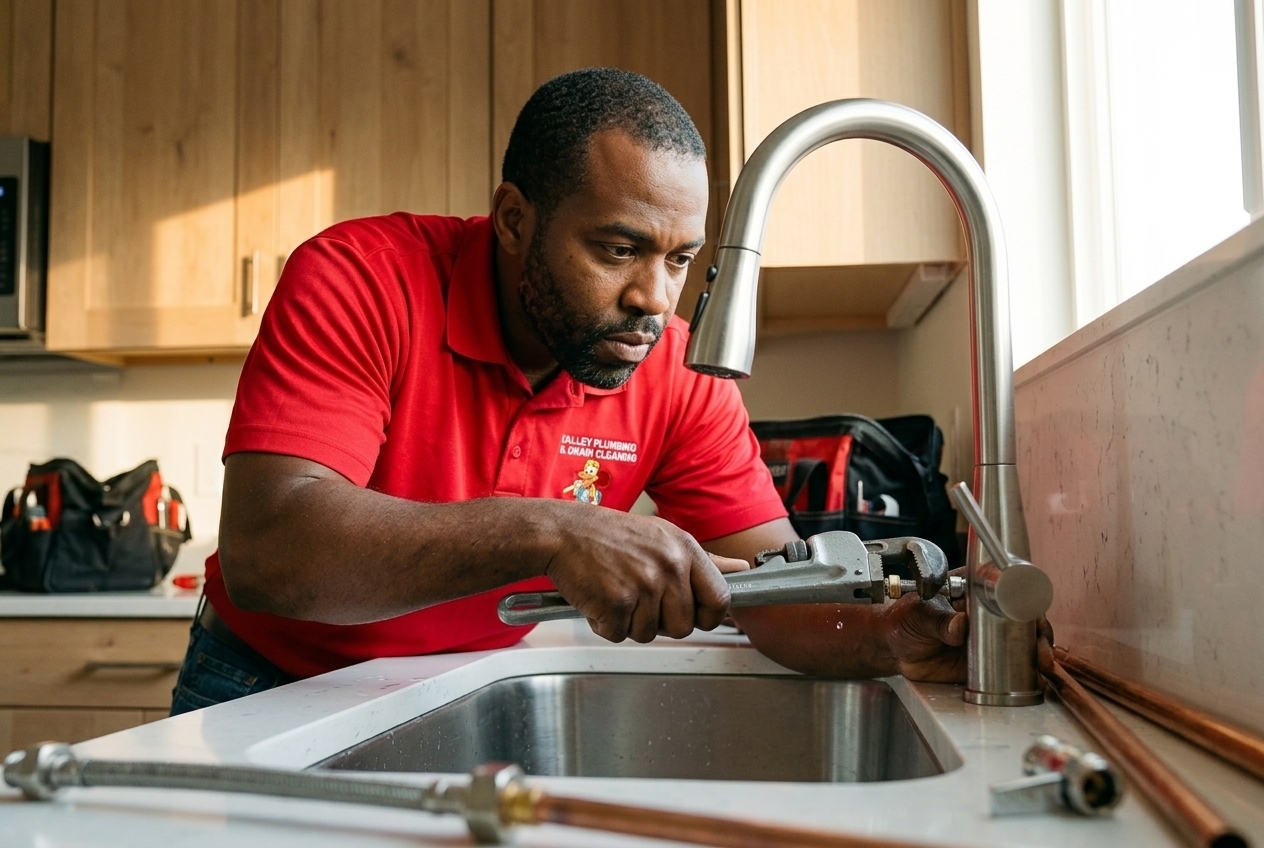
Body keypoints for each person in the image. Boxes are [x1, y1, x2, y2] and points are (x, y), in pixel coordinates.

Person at [170, 68, 965, 715]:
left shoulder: (676, 367)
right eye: (620, 248)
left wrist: (892, 637)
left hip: (471, 686)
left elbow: (770, 587)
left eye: (681, 260)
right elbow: (269, 554)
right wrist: (552, 530)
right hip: (265, 684)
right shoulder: (363, 279)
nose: (655, 298)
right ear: (515, 219)